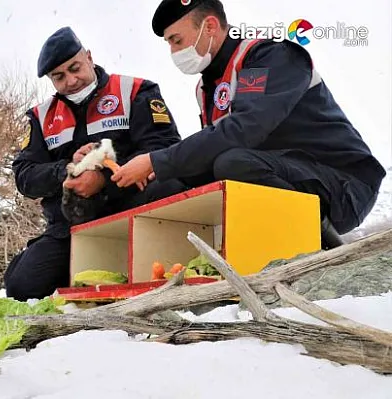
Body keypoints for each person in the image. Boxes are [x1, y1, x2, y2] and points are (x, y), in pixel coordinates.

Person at [112, 0, 386, 248]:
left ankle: (323, 250)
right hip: (285, 171)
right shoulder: (207, 87)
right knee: (168, 180)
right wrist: (156, 170)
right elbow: (212, 145)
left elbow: (247, 127)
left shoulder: (269, 55)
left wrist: (157, 159)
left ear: (209, 26)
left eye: (177, 40)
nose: (174, 51)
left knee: (232, 164)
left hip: (344, 183)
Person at [4, 27, 186, 301]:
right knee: (21, 287)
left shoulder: (135, 91)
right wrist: (66, 169)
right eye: (59, 77)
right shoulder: (41, 117)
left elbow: (165, 146)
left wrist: (102, 178)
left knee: (171, 184)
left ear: (89, 57)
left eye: (75, 68)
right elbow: (24, 176)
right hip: (69, 225)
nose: (71, 80)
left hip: (129, 206)